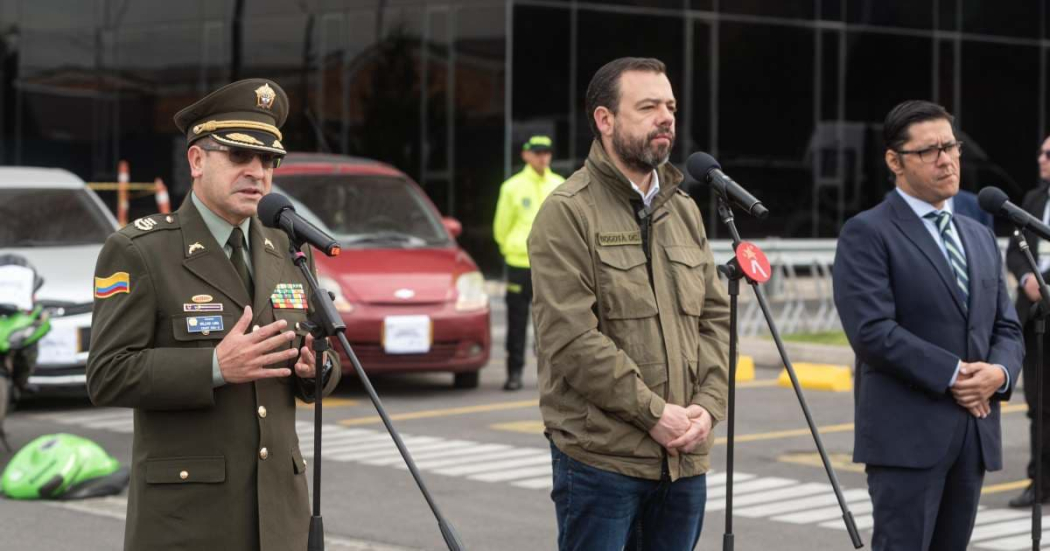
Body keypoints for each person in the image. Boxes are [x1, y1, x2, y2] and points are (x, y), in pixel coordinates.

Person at [87, 78, 341, 551]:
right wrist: (214, 368)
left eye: (268, 160)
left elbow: (315, 357)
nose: (258, 173)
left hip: (280, 516)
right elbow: (106, 374)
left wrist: (316, 369)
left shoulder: (283, 245)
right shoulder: (139, 251)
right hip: (189, 520)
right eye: (240, 156)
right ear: (197, 160)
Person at [528, 57, 729, 550]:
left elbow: (716, 319)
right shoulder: (568, 212)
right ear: (605, 120)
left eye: (670, 106)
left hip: (684, 460)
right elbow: (572, 339)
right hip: (603, 462)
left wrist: (708, 407)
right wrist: (654, 415)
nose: (666, 117)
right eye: (648, 107)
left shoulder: (683, 210)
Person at [833, 100, 1023, 550]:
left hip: (973, 437)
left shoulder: (976, 234)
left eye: (951, 146)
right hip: (908, 442)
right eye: (931, 151)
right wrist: (956, 375)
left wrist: (998, 374)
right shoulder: (868, 232)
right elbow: (872, 331)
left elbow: (1008, 327)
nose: (947, 159)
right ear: (895, 162)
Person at [492, 135, 564, 391]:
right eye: (537, 152)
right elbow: (501, 227)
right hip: (519, 264)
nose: (543, 157)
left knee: (552, 323)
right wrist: (511, 247)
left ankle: (552, 377)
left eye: (546, 152)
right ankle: (514, 373)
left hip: (550, 265)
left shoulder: (559, 184)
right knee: (517, 322)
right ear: (526, 155)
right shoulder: (512, 187)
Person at [1005, 134, 1050, 508]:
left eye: (1048, 154)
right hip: (1035, 316)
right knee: (1038, 404)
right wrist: (1027, 279)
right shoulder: (1034, 200)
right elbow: (1014, 250)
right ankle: (1040, 482)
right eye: (1040, 152)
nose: (1041, 159)